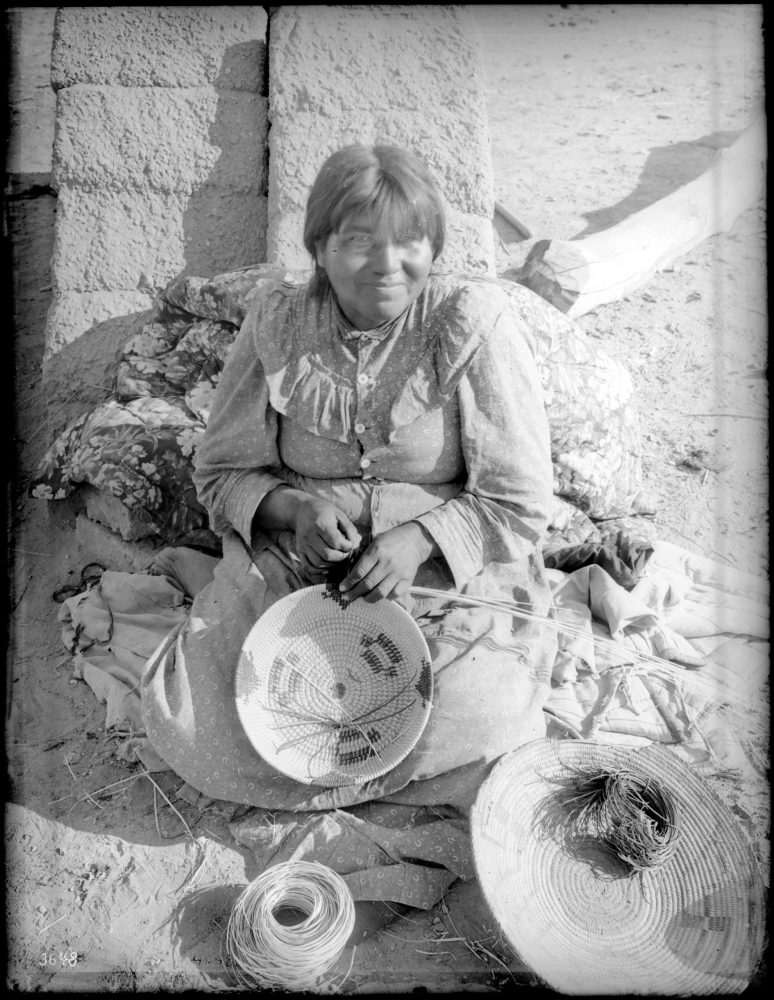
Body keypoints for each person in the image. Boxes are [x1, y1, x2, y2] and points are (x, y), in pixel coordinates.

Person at [141, 144, 557, 811]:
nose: (388, 266)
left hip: (450, 578)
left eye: (409, 242)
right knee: (199, 723)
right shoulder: (278, 323)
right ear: (321, 249)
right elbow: (221, 472)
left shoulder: (471, 324)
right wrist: (292, 509)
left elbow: (523, 498)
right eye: (360, 242)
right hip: (291, 569)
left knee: (482, 712)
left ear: (434, 247)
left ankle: (387, 762)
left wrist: (421, 539)